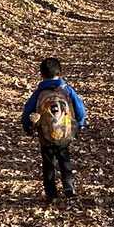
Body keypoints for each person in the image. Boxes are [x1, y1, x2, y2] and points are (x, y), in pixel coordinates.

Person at [22, 57, 87, 202]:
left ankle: (51, 193)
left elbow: (27, 111)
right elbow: (80, 109)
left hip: (45, 135)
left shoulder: (39, 93)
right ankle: (69, 187)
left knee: (48, 164)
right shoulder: (67, 90)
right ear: (60, 72)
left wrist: (27, 127)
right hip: (64, 133)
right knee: (64, 160)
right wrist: (80, 124)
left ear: (41, 74)